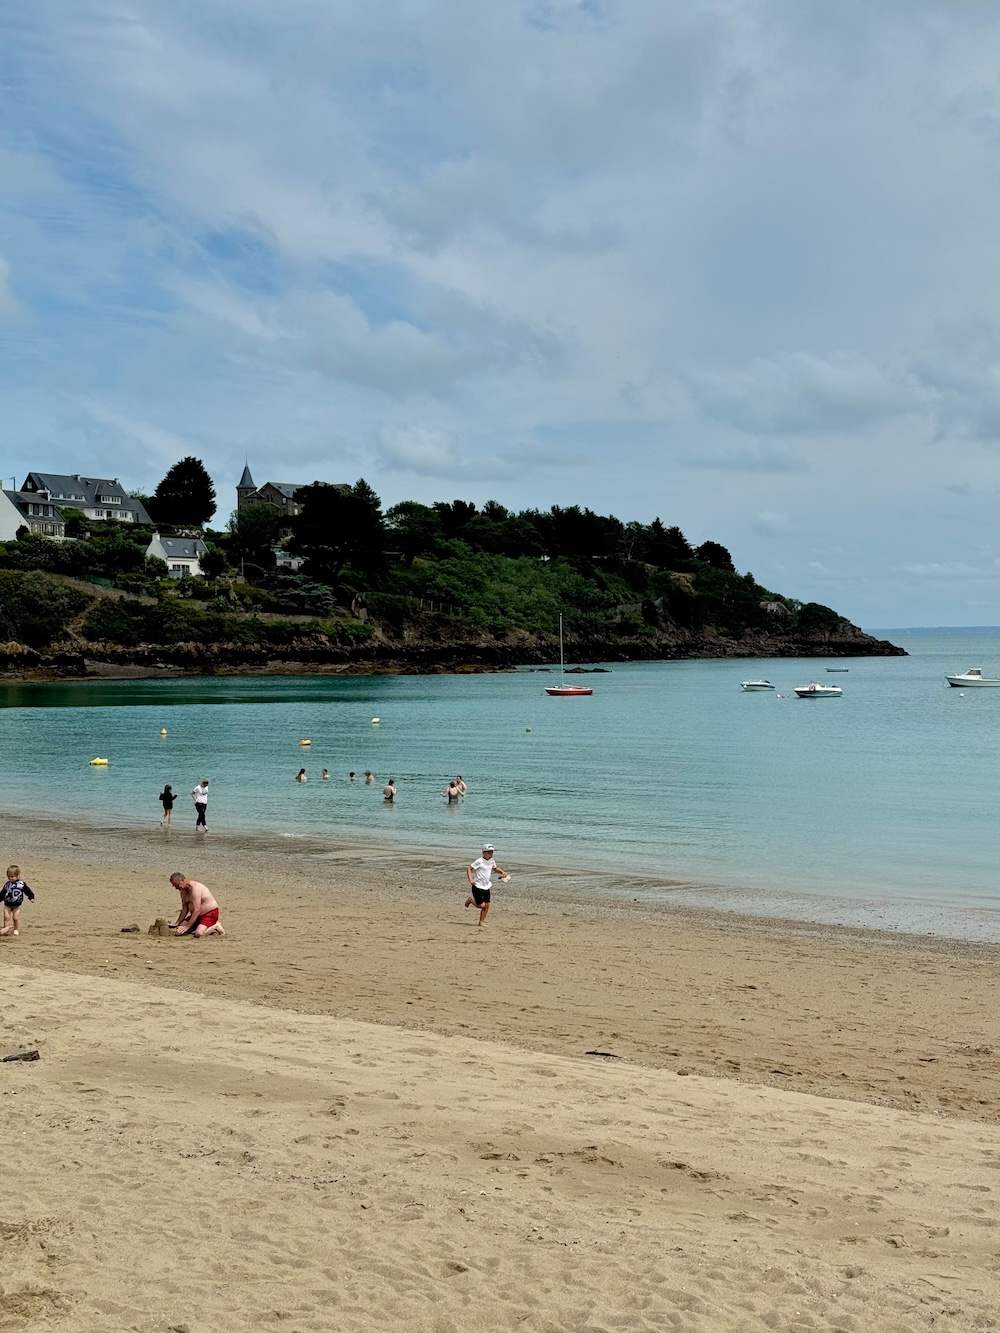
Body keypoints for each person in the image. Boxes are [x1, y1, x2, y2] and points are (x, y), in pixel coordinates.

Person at [169, 872, 225, 937]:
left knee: (198, 934)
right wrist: (177, 923)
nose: (176, 888)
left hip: (209, 914)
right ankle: (196, 926)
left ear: (182, 880)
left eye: (177, 885)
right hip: (196, 915)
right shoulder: (183, 891)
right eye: (174, 886)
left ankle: (216, 926)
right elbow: (185, 909)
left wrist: (187, 926)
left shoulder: (195, 889)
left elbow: (197, 910)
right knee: (179, 929)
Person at [464, 844, 506, 927]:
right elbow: (469, 868)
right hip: (477, 886)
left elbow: (495, 868)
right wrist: (471, 879)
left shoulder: (492, 860)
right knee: (481, 905)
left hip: (486, 886)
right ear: (483, 853)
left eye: (492, 852)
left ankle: (481, 922)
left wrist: (502, 872)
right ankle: (471, 900)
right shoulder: (479, 861)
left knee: (487, 905)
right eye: (489, 852)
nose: (491, 854)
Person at [1, 865, 34, 937]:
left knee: (15, 918)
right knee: (6, 917)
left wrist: (31, 897)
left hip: (17, 905)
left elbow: (27, 891)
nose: (10, 878)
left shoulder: (21, 884)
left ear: (17, 876)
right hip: (7, 904)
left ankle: (16, 929)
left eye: (12, 876)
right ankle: (6, 929)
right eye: (8, 876)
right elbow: (3, 893)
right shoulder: (7, 884)